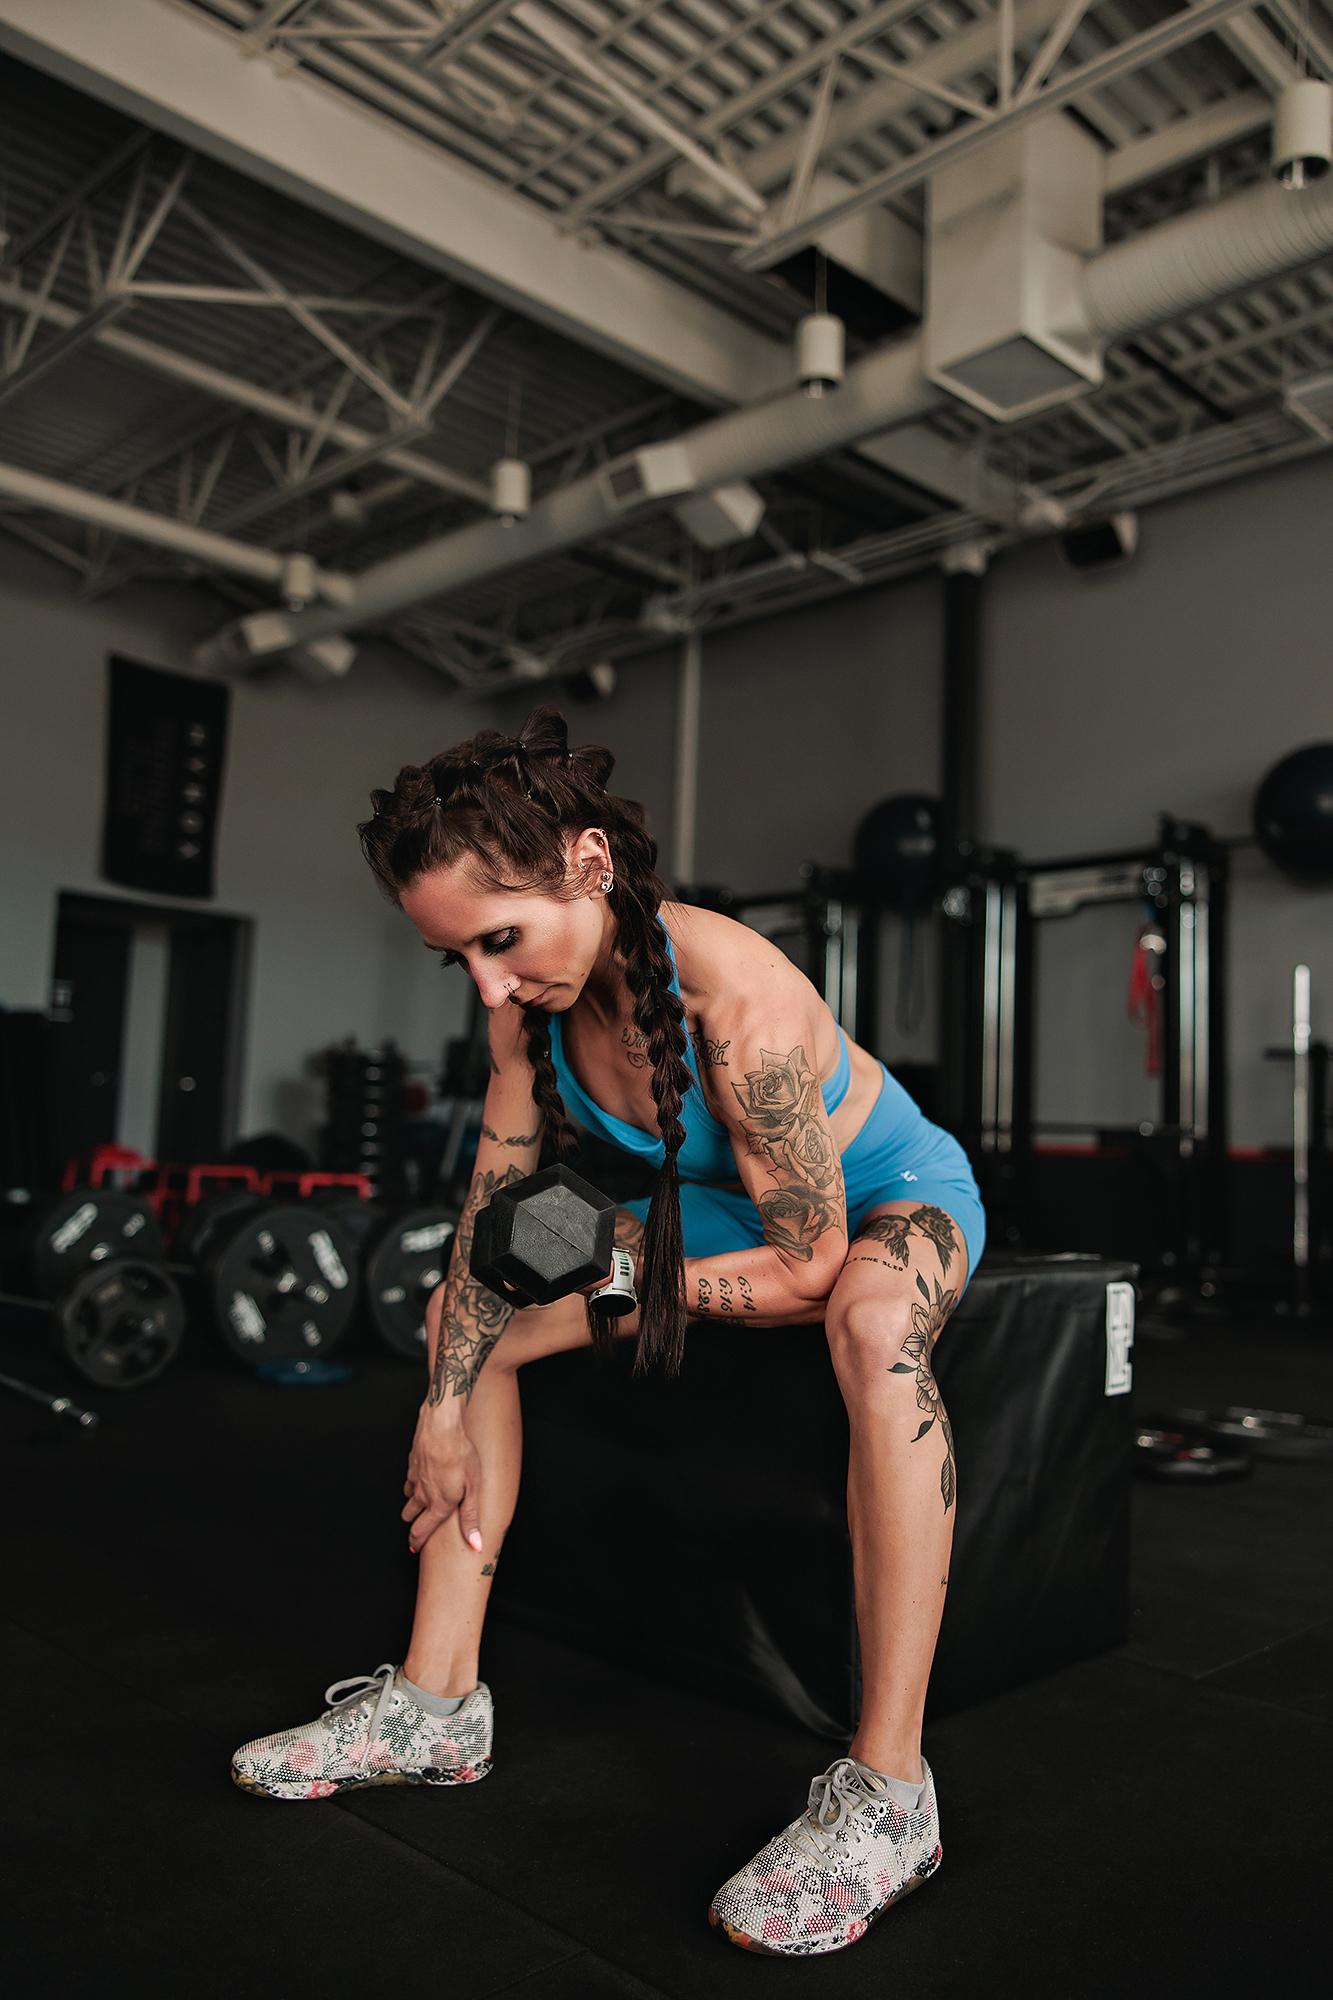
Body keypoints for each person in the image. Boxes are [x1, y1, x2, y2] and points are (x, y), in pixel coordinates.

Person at [231, 707, 985, 1959]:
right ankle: (434, 1698)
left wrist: (590, 1294)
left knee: (866, 1323)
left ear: (587, 867)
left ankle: (892, 1790)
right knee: (459, 1309)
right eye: (458, 958)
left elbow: (804, 1267)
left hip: (877, 1198)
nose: (488, 981)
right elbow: (497, 1211)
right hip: (698, 1209)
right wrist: (441, 1392)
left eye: (502, 939)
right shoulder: (525, 1009)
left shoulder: (734, 1003)